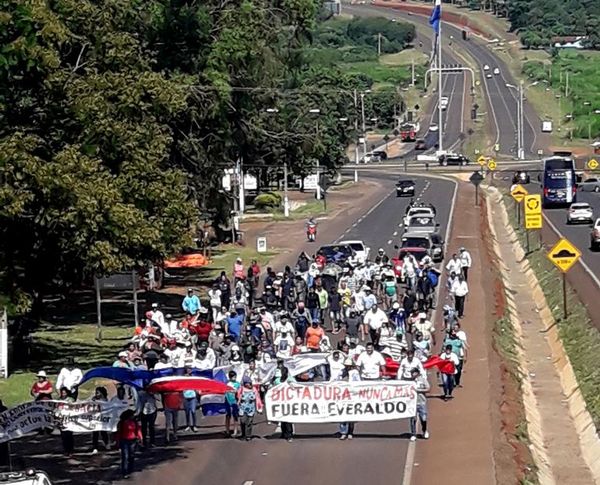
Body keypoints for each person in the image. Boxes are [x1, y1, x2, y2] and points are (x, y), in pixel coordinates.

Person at [115, 409, 142, 479]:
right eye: (132, 415)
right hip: (124, 441)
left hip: (133, 441)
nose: (133, 416)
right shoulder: (122, 423)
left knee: (131, 456)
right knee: (125, 457)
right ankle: (125, 471)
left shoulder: (134, 422)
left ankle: (130, 469)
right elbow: (118, 433)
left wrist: (140, 438)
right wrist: (117, 443)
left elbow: (138, 430)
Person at [406, 367, 430, 441]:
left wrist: (419, 390)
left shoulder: (423, 380)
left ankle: (424, 430)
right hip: (412, 403)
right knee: (413, 418)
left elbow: (428, 388)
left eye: (413, 372)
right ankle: (413, 434)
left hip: (421, 402)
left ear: (417, 373)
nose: (412, 374)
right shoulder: (410, 382)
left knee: (423, 418)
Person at [339, 358, 361, 440]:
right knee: (343, 414)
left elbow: (358, 383)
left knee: (351, 415)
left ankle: (350, 432)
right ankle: (343, 432)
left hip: (352, 396)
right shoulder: (342, 372)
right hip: (343, 396)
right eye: (346, 366)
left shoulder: (355, 372)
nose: (347, 367)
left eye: (349, 366)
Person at [90, 387, 111, 454]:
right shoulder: (93, 400)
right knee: (95, 433)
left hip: (102, 419)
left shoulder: (105, 400)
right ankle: (95, 447)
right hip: (95, 419)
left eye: (98, 392)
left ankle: (106, 443)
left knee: (103, 432)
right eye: (96, 392)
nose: (96, 394)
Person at [238, 377, 258, 441]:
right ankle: (243, 434)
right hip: (243, 407)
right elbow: (239, 396)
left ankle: (248, 436)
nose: (249, 384)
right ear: (245, 383)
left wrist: (259, 407)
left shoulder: (254, 389)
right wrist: (238, 402)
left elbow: (257, 398)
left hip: (251, 408)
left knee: (249, 422)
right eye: (247, 383)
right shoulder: (241, 389)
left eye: (250, 383)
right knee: (243, 421)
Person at [58, 387, 75, 458]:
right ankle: (66, 450)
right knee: (63, 436)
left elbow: (74, 407)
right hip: (62, 420)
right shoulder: (58, 400)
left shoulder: (71, 400)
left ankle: (71, 450)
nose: (63, 394)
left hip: (69, 420)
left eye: (64, 392)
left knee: (69, 435)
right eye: (62, 392)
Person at [225, 371, 241, 437]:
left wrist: (238, 402)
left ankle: (235, 431)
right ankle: (227, 430)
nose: (234, 378)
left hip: (235, 402)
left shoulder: (238, 384)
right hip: (227, 402)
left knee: (235, 417)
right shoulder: (227, 384)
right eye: (233, 377)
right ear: (230, 377)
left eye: (235, 377)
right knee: (228, 416)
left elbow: (240, 393)